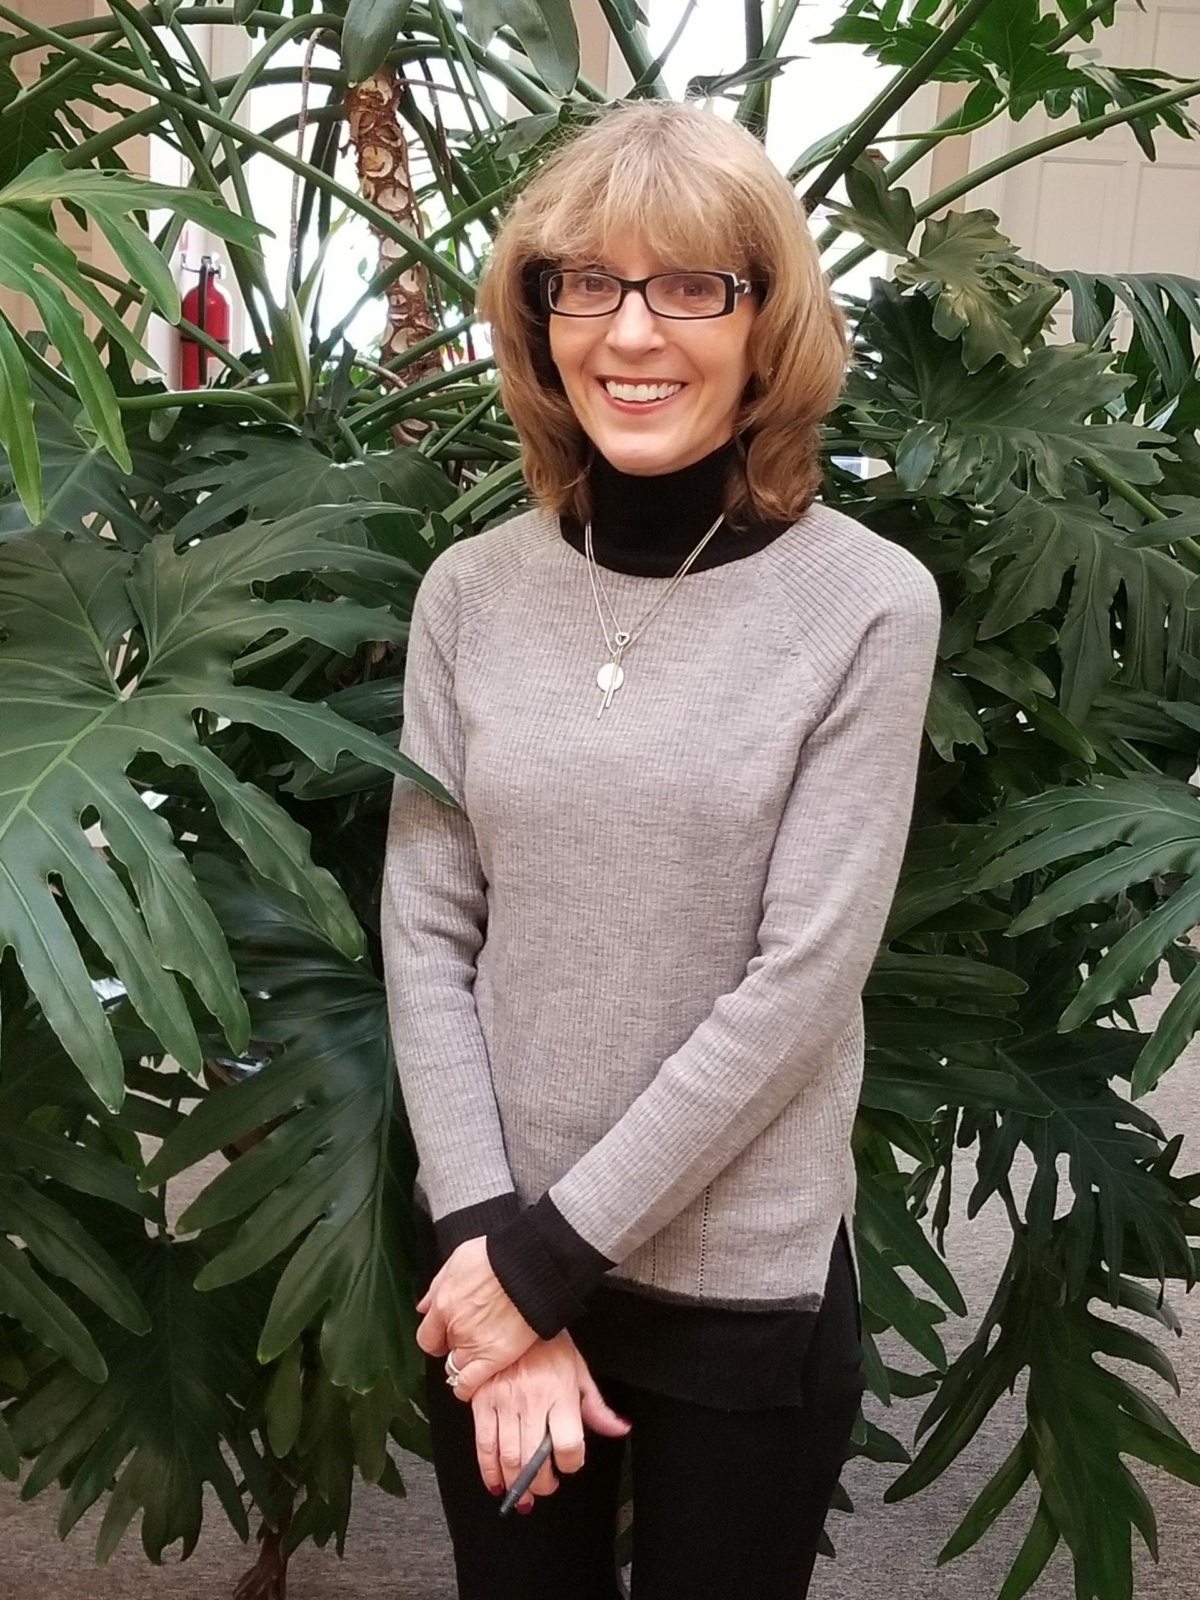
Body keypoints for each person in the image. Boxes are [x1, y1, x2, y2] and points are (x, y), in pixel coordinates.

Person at [381, 100, 941, 1600]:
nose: (633, 332)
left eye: (693, 285)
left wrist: (539, 1271)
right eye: (589, 284)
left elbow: (801, 977)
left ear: (769, 325)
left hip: (728, 1280)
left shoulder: (865, 606)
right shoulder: (469, 592)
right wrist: (497, 1252)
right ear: (540, 315)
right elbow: (429, 927)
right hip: (486, 1233)